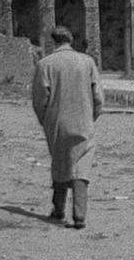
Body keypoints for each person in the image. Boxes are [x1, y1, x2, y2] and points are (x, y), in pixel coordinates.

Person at [31, 25, 104, 229]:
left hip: (57, 121)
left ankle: (59, 209)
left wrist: (46, 120)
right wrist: (91, 117)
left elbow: (40, 99)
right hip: (83, 120)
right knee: (82, 166)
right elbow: (98, 97)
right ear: (70, 40)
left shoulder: (45, 64)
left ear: (54, 41)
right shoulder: (87, 62)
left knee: (60, 162)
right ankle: (79, 215)